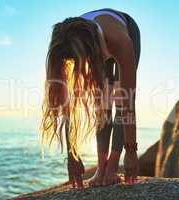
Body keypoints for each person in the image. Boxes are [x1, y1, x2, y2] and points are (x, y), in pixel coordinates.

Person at [41, 8, 141, 189]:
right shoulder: (63, 43)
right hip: (91, 43)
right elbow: (65, 105)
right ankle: (101, 166)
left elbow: (127, 104)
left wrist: (131, 151)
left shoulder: (120, 41)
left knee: (120, 98)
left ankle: (111, 166)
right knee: (101, 103)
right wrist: (72, 155)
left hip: (125, 30)